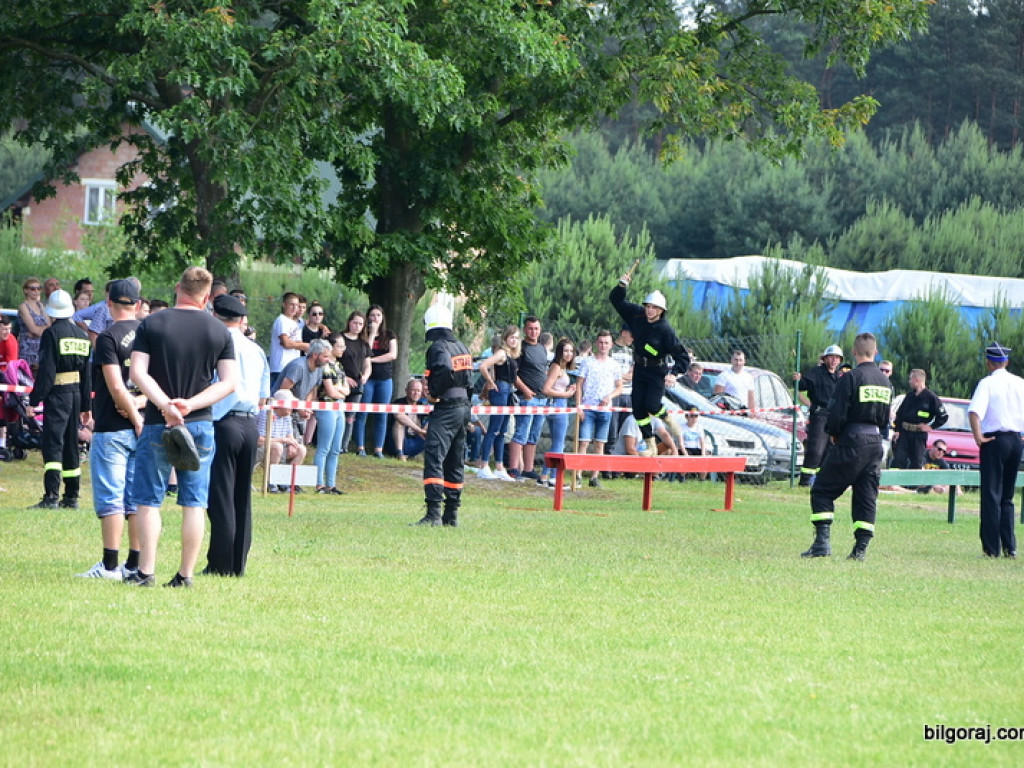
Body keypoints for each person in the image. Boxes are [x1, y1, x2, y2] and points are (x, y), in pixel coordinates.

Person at [127, 266, 237, 588]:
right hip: (200, 424)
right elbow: (229, 383)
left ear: (178, 287)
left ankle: (145, 572)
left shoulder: (152, 323)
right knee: (194, 502)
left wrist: (165, 405)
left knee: (149, 500)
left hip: (158, 424)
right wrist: (191, 404)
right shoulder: (220, 332)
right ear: (207, 297)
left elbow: (137, 373)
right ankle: (185, 575)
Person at [801, 333, 891, 561]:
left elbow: (837, 412)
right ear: (875, 352)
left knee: (822, 490)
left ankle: (822, 543)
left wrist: (833, 434)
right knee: (866, 496)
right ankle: (860, 550)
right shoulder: (885, 381)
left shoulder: (851, 378)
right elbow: (886, 417)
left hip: (852, 440)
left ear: (853, 352)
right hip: (875, 443)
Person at [77, 280, 143, 580]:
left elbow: (116, 387)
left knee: (112, 497)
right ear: (138, 305)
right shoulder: (150, 336)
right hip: (142, 426)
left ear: (108, 304)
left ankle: (110, 565)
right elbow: (157, 385)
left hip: (113, 427)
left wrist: (129, 408)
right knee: (136, 498)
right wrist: (140, 407)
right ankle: (134, 564)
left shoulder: (107, 338)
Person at [205, 294, 270, 576]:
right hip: (249, 424)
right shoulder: (255, 350)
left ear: (217, 317)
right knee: (242, 498)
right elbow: (264, 397)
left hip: (224, 422)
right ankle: (238, 564)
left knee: (221, 497)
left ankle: (220, 564)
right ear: (242, 320)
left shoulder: (215, 342)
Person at [610, 274, 690, 457]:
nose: (650, 310)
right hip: (639, 368)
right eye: (648, 306)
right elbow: (616, 300)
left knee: (652, 405)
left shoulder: (666, 330)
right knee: (638, 408)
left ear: (661, 311)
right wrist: (622, 285)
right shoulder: (636, 314)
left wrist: (673, 373)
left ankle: (669, 419)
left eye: (654, 308)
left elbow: (682, 356)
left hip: (657, 371)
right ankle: (650, 444)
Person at [27, 289, 91, 509]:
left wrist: (34, 401)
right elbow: (87, 375)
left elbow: (47, 372)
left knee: (53, 444)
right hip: (76, 395)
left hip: (58, 395)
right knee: (72, 444)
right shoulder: (82, 336)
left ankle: (51, 496)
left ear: (52, 312)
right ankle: (71, 496)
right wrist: (86, 405)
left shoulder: (51, 334)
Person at [413, 304, 472, 527]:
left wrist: (435, 393)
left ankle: (433, 514)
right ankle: (451, 515)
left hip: (447, 408)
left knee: (434, 456)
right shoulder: (462, 346)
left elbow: (444, 369)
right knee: (455, 461)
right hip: (464, 407)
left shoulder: (438, 347)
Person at [967, 342, 1024, 559]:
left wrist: (978, 437)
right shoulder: (1020, 383)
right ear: (1006, 362)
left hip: (994, 440)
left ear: (989, 363)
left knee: (991, 494)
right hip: (1015, 440)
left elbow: (974, 412)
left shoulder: (987, 384)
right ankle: (1010, 546)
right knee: (1007, 496)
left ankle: (991, 548)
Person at [575, 330, 622, 487]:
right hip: (588, 407)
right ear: (596, 343)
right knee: (584, 442)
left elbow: (619, 387)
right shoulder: (587, 362)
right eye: (601, 342)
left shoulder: (614, 365)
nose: (603, 345)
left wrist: (609, 397)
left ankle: (594, 476)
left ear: (611, 345)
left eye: (606, 343)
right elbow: (579, 384)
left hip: (605, 409)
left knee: (600, 443)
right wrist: (579, 405)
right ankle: (578, 474)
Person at [475, 325, 520, 481]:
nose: (514, 340)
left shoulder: (512, 356)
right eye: (511, 337)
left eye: (516, 337)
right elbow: (483, 366)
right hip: (500, 389)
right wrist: (490, 382)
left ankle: (499, 467)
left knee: (502, 431)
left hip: (509, 392)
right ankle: (484, 465)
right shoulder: (501, 353)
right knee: (494, 429)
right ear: (506, 338)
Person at [793, 345, 843, 487]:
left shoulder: (839, 377)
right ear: (825, 358)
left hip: (833, 416)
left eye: (837, 358)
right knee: (816, 449)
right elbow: (802, 385)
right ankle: (805, 481)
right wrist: (797, 380)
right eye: (831, 357)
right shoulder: (816, 373)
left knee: (829, 451)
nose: (834, 360)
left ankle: (821, 480)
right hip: (820, 415)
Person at [354, 304, 398, 458]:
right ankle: (360, 447)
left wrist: (372, 360)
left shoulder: (390, 335)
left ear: (382, 317)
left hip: (384, 379)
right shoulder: (363, 334)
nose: (375, 318)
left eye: (378, 315)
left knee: (382, 414)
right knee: (362, 413)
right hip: (368, 379)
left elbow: (392, 355)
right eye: (372, 315)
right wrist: (372, 334)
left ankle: (378, 449)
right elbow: (367, 350)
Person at [508, 316, 547, 480]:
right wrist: (525, 390)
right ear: (525, 330)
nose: (533, 332)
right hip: (527, 398)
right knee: (521, 433)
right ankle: (513, 468)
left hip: (542, 398)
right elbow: (513, 374)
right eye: (530, 328)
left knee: (533, 435)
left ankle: (528, 468)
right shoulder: (521, 348)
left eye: (536, 328)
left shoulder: (542, 348)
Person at [312, 332, 349, 494]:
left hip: (339, 406)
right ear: (332, 347)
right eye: (340, 346)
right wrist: (339, 391)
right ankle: (319, 483)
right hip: (327, 406)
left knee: (335, 449)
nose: (342, 349)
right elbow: (330, 391)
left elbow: (345, 389)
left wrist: (339, 391)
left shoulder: (339, 366)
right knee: (324, 447)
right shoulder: (325, 367)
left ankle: (331, 484)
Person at [537, 338, 577, 488]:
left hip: (557, 403)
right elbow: (546, 389)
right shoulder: (556, 367)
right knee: (559, 444)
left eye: (571, 351)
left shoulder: (562, 368)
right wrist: (566, 395)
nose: (568, 354)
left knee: (556, 442)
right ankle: (553, 477)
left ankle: (544, 475)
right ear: (560, 352)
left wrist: (568, 390)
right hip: (558, 405)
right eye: (566, 351)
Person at [891, 368, 947, 471]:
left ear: (917, 380)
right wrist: (897, 431)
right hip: (904, 434)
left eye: (910, 379)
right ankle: (894, 485)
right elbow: (900, 414)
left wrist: (930, 426)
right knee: (898, 460)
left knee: (916, 462)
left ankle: (913, 487)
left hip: (918, 435)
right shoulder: (909, 396)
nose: (909, 382)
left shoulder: (931, 397)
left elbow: (943, 417)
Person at [257, 390, 307, 492]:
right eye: (289, 404)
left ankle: (288, 482)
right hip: (260, 450)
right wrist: (282, 440)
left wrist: (292, 444)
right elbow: (259, 440)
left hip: (279, 449)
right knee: (277, 446)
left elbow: (290, 437)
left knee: (301, 449)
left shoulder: (287, 417)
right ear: (280, 405)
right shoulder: (265, 414)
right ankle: (271, 482)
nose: (292, 407)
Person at [387, 378, 429, 460]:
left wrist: (425, 428)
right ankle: (400, 454)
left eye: (418, 391)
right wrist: (419, 430)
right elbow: (399, 416)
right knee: (399, 423)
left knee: (434, 421)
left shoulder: (422, 405)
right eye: (413, 390)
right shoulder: (398, 402)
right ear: (406, 390)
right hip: (400, 442)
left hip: (417, 440)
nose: (416, 393)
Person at [268, 292, 305, 379]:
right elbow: (286, 343)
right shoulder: (281, 320)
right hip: (280, 367)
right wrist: (305, 346)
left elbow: (298, 343)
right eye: (291, 305)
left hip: (292, 366)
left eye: (296, 305)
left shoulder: (296, 323)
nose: (294, 308)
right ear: (284, 305)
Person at [17, 277, 50, 368]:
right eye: (32, 289)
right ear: (26, 290)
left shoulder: (41, 305)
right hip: (27, 349)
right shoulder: (24, 306)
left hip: (41, 347)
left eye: (38, 288)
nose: (36, 291)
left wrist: (39, 330)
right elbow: (34, 329)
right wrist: (42, 329)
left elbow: (50, 326)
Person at [612, 414, 676, 457]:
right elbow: (629, 450)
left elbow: (664, 434)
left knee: (668, 447)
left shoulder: (655, 418)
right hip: (627, 457)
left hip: (645, 453)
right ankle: (652, 472)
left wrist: (674, 450)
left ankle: (656, 474)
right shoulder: (631, 421)